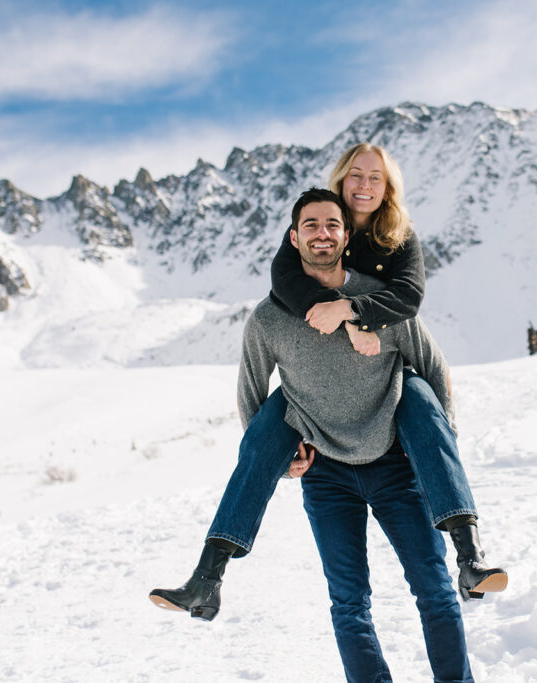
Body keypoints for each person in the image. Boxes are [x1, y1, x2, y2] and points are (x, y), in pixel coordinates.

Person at [149, 145, 505, 623]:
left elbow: (410, 297)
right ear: (340, 182)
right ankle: (208, 578)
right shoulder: (319, 223)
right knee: (262, 433)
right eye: (355, 174)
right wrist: (332, 315)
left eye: (375, 177)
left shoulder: (398, 235)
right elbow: (283, 280)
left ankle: (469, 555)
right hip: (311, 378)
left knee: (424, 405)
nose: (364, 184)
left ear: (388, 187)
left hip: (388, 372)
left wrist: (357, 315)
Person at [253, 188, 473, 680]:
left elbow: (432, 368)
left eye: (331, 224)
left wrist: (438, 447)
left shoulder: (378, 299)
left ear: (345, 234)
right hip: (326, 475)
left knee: (434, 589)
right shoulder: (269, 316)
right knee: (348, 603)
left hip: (396, 464)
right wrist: (281, 458)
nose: (322, 233)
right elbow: (251, 393)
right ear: (294, 237)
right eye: (310, 225)